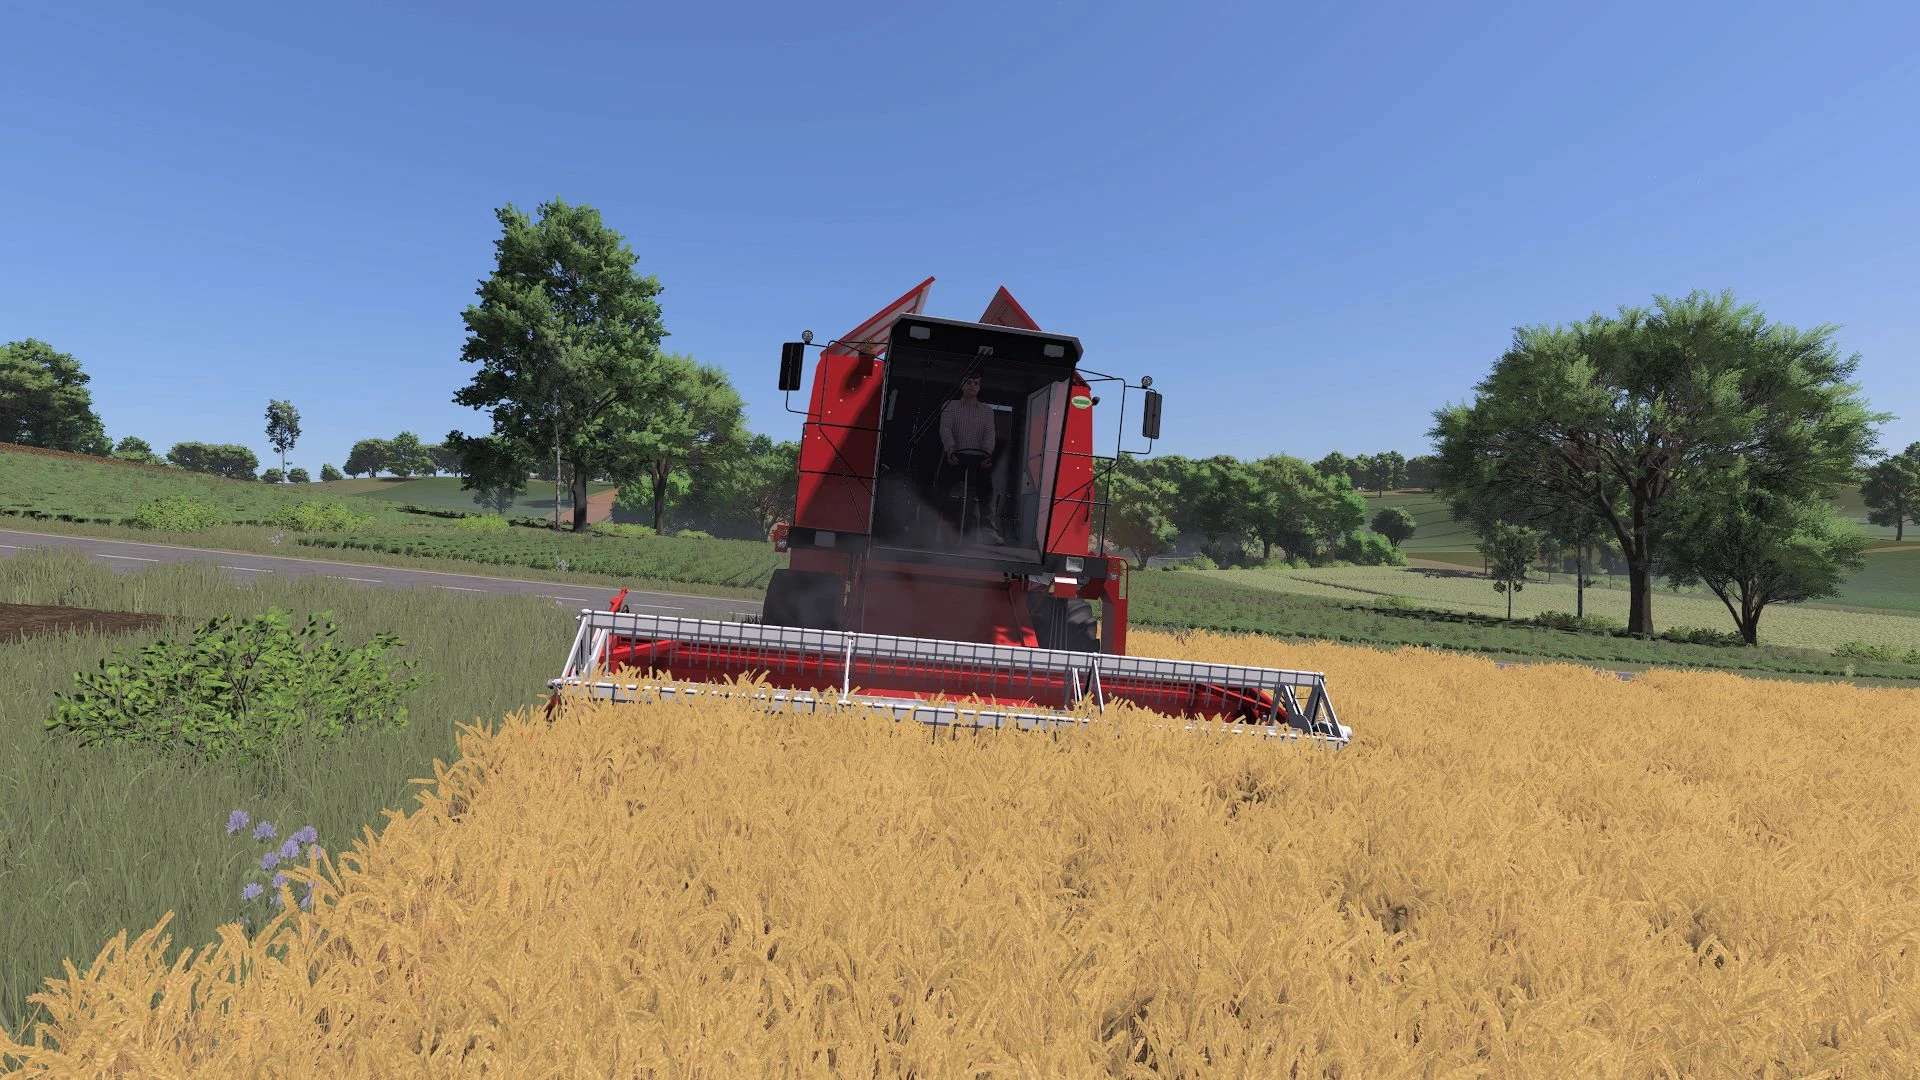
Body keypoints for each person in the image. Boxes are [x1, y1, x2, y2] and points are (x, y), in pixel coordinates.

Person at [939, 372, 998, 541]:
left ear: (979, 387)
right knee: (942, 490)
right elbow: (946, 429)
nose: (972, 386)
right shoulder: (950, 405)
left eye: (976, 383)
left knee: (986, 492)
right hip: (955, 455)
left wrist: (987, 453)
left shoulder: (987, 411)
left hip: (979, 457)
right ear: (962, 385)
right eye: (969, 382)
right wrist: (950, 449)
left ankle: (988, 532)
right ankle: (938, 527)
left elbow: (989, 433)